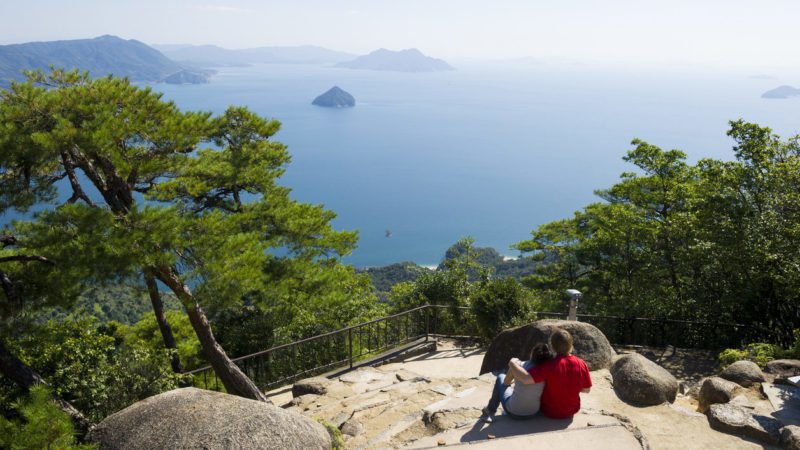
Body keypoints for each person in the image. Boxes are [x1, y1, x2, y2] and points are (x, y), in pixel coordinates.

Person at [506, 328, 592, 419]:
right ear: (571, 345)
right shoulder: (582, 364)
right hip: (571, 411)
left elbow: (526, 379)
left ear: (553, 346)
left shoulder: (549, 365)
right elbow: (587, 390)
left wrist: (512, 363)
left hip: (549, 411)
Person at [479, 343, 554, 422]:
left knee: (501, 377)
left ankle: (490, 410)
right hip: (534, 412)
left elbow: (506, 382)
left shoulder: (519, 365)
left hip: (514, 413)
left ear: (532, 353)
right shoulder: (548, 370)